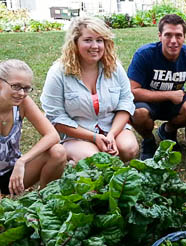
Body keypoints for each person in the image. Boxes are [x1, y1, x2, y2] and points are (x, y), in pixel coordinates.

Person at [0, 60, 68, 219]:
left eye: (26, 88)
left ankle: (44, 204)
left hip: (13, 173)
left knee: (58, 152)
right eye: (16, 86)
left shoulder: (23, 102)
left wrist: (22, 161)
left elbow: (52, 135)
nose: (21, 93)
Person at [41, 16, 140, 162]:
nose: (95, 46)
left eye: (99, 40)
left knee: (129, 148)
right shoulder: (58, 72)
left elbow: (126, 103)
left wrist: (112, 134)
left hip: (111, 127)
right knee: (94, 159)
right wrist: (93, 137)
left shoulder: (114, 67)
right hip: (76, 134)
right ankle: (72, 165)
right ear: (75, 43)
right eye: (88, 40)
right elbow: (55, 117)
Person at [128, 14, 186, 159]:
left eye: (178, 35)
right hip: (147, 102)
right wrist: (169, 94)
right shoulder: (144, 54)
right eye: (168, 35)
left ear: (184, 37)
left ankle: (168, 131)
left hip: (175, 102)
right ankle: (148, 140)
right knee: (138, 114)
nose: (173, 41)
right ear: (160, 36)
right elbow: (132, 92)